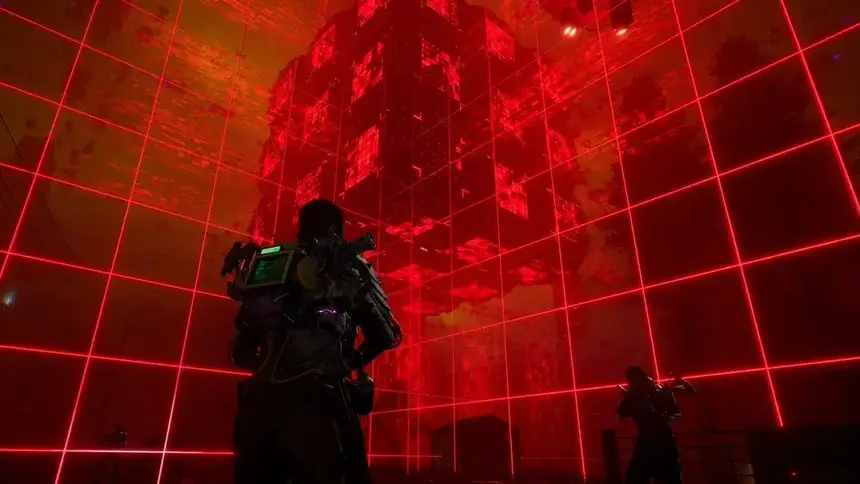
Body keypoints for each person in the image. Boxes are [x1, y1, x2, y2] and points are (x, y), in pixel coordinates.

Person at [227, 199, 401, 484]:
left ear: (301, 227)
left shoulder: (269, 264)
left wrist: (271, 368)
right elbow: (386, 335)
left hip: (260, 410)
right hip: (322, 410)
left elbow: (240, 350)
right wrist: (349, 362)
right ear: (337, 229)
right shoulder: (348, 266)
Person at [617, 366, 695, 484]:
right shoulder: (654, 391)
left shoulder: (638, 395)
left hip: (650, 442)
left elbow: (623, 412)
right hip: (663, 440)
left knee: (637, 477)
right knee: (668, 476)